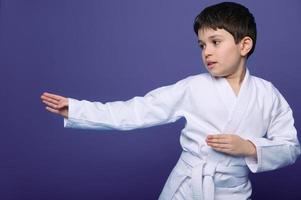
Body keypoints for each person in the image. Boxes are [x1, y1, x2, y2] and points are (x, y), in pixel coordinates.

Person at [40, 2, 300, 200]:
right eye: (201, 45)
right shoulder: (192, 87)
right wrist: (77, 110)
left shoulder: (268, 95)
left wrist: (250, 148)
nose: (207, 51)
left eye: (215, 42)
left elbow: (290, 148)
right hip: (187, 188)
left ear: (244, 45)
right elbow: (136, 111)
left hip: (234, 192)